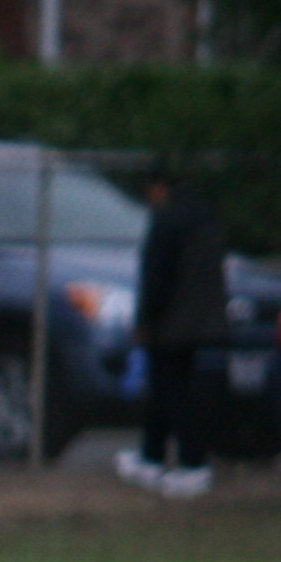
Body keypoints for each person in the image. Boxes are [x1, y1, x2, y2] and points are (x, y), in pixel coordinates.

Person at [118, 163, 230, 500]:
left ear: (157, 188)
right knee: (165, 389)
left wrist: (144, 321)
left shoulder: (166, 221)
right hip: (203, 319)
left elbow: (155, 277)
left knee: (174, 393)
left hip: (172, 323)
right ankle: (150, 456)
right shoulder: (205, 216)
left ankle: (193, 465)